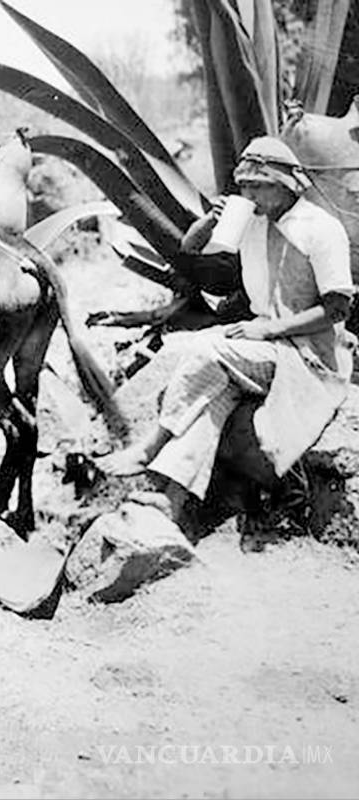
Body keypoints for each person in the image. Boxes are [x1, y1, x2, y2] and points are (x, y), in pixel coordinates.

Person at [97, 136, 354, 525]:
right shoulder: (251, 221)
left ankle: (149, 448)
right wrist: (210, 221)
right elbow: (191, 247)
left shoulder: (321, 229)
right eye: (244, 185)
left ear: (285, 184)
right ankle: (173, 502)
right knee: (208, 391)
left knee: (208, 353)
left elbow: (338, 308)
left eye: (258, 185)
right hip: (264, 344)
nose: (248, 193)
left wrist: (269, 331)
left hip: (306, 355)